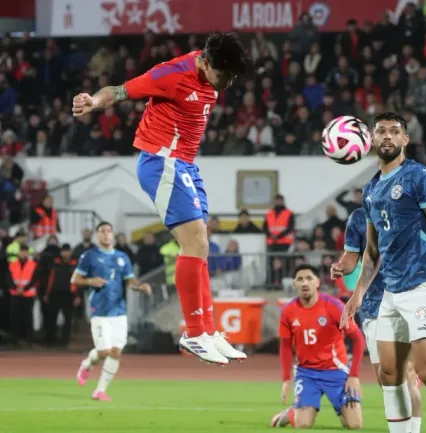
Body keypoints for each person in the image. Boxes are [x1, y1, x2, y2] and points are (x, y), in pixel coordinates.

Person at [71, 32, 251, 364]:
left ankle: (209, 330)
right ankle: (195, 333)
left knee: (201, 245)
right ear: (206, 63)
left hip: (185, 163)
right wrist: (93, 102)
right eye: (224, 75)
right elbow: (120, 91)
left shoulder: (211, 63)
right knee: (194, 243)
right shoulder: (170, 74)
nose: (227, 83)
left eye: (233, 77)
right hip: (161, 160)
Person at [340, 112, 426, 433]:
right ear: (371, 140)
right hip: (390, 291)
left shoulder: (420, 177)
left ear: (405, 139)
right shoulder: (371, 190)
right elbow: (373, 251)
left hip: (424, 284)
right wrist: (357, 295)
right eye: (381, 131)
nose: (387, 136)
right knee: (389, 375)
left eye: (394, 131)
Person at [332, 207, 423, 433]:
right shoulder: (359, 217)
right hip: (373, 304)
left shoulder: (409, 212)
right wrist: (341, 267)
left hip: (404, 300)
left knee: (406, 372)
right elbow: (352, 257)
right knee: (385, 378)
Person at [270, 264, 365, 429]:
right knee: (303, 424)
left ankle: (300, 409)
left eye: (309, 278)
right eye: (300, 279)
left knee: (354, 425)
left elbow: (358, 339)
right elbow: (285, 347)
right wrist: (286, 378)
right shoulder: (288, 311)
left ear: (317, 282)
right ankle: (293, 413)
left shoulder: (334, 306)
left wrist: (354, 375)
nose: (304, 283)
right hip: (307, 373)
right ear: (294, 284)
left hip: (336, 371)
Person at [73, 221, 152, 401]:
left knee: (116, 351)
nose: (106, 234)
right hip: (99, 311)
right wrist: (90, 281)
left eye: (108, 231)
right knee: (103, 352)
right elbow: (75, 279)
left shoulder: (122, 257)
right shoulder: (89, 256)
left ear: (113, 235)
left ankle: (100, 390)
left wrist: (140, 286)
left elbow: (129, 280)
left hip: (119, 311)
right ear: (97, 236)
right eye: (102, 231)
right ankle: (86, 365)